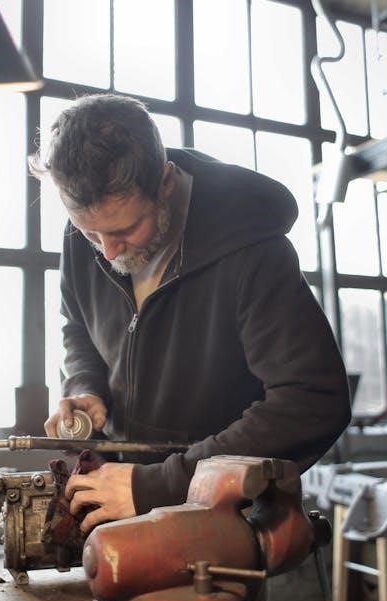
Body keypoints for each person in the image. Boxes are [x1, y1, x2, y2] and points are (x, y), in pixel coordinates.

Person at [29, 94, 351, 535]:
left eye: (125, 230)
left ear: (165, 182)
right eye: (90, 233)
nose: (108, 251)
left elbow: (311, 400)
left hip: (231, 520)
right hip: (119, 499)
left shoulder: (253, 250)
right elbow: (78, 327)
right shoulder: (85, 236)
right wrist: (85, 385)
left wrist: (160, 485)